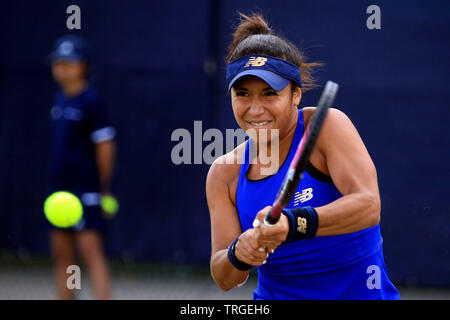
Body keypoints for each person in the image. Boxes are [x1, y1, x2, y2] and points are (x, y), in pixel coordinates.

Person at [206, 13, 400, 300]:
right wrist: (239, 252)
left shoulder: (325, 127)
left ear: (296, 94)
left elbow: (368, 205)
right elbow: (224, 277)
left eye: (270, 93)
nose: (255, 109)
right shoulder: (223, 173)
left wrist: (294, 223)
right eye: (243, 94)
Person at [46, 34, 117, 299]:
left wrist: (103, 187)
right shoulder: (60, 99)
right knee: (62, 254)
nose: (62, 68)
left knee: (90, 252)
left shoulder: (92, 102)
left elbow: (106, 145)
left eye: (69, 62)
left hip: (85, 188)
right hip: (58, 189)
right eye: (58, 62)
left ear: (83, 66)